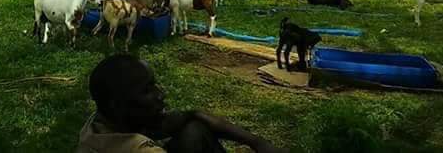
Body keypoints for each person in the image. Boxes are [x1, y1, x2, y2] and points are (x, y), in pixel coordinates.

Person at [77, 54, 286, 153]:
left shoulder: (101, 123)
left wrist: (257, 142)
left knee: (194, 129)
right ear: (118, 105)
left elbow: (192, 115)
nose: (161, 94)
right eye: (147, 90)